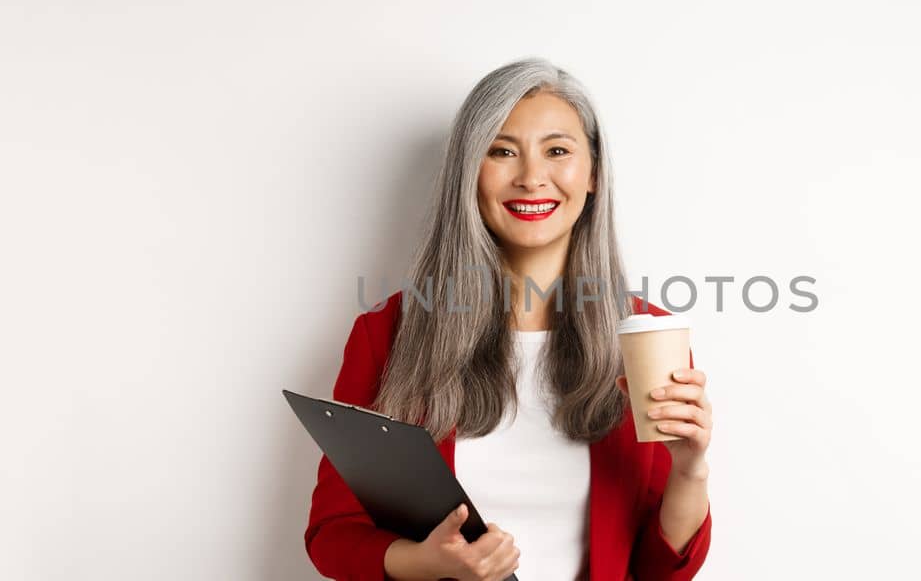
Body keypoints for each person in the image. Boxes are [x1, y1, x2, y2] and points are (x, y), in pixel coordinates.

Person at [304, 58, 714, 581]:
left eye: (558, 151)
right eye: (501, 151)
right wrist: (428, 563)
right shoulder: (390, 332)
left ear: (593, 176)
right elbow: (332, 535)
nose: (531, 178)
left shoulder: (645, 334)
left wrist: (690, 466)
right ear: (470, 175)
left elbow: (663, 570)